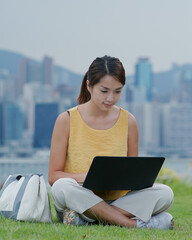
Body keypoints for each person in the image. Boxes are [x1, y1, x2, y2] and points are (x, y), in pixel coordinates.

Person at [48, 55, 174, 229]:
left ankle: (87, 219)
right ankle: (131, 224)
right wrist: (87, 177)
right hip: (79, 196)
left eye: (117, 91)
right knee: (62, 187)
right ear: (89, 86)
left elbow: (133, 177)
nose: (110, 98)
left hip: (116, 200)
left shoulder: (129, 121)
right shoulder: (66, 120)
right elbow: (54, 176)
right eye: (104, 91)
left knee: (165, 193)